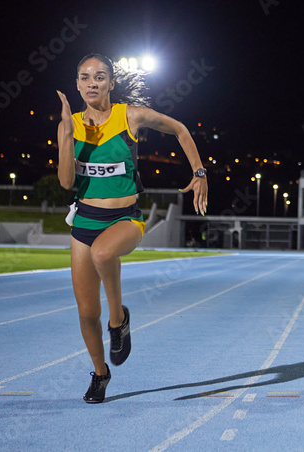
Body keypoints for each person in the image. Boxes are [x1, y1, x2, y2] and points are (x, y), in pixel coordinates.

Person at [56, 53, 208, 403]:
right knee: (84, 312)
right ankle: (100, 373)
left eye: (99, 76)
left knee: (104, 252)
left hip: (125, 219)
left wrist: (199, 172)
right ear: (77, 84)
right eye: (84, 77)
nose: (91, 82)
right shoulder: (70, 124)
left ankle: (118, 319)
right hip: (84, 221)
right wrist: (66, 134)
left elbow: (180, 129)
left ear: (111, 83)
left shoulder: (130, 116)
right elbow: (66, 182)